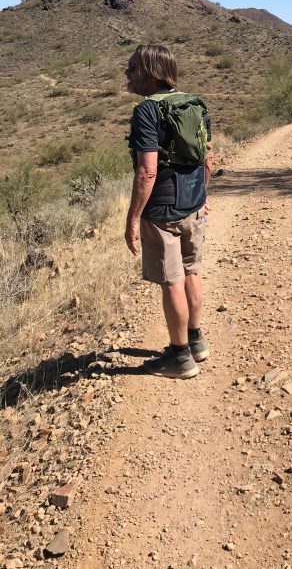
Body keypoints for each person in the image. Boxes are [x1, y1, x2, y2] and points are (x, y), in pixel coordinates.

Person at [124, 44, 213, 379]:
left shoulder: (147, 111)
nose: (128, 73)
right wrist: (203, 194)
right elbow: (208, 155)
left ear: (151, 72)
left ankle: (179, 358)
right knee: (191, 272)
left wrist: (133, 218)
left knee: (171, 280)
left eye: (133, 67)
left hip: (162, 210)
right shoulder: (194, 103)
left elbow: (147, 171)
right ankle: (196, 341)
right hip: (193, 203)